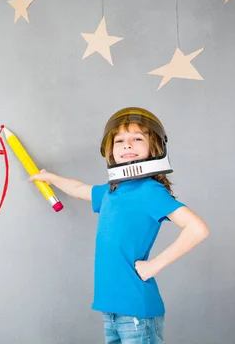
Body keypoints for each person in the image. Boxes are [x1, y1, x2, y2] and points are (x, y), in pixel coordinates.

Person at [29, 107, 209, 344]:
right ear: (110, 150)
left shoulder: (150, 191)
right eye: (120, 140)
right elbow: (79, 189)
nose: (127, 145)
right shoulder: (112, 192)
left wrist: (154, 266)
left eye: (137, 139)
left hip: (136, 307)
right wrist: (50, 178)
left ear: (155, 147)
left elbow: (198, 228)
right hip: (111, 307)